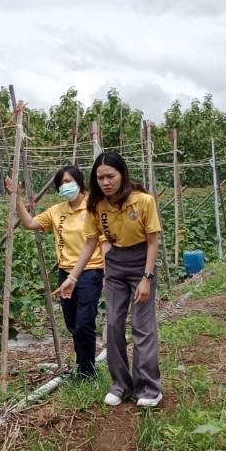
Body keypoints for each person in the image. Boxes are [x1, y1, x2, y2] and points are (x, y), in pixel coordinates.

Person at [58, 150, 163, 408]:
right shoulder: (97, 205)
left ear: (122, 175)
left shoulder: (143, 201)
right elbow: (90, 243)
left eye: (111, 176)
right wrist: (73, 277)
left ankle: (150, 388)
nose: (106, 182)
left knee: (142, 326)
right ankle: (121, 385)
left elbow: (152, 241)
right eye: (100, 177)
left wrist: (147, 278)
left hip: (141, 263)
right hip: (115, 264)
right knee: (113, 324)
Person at [5, 164, 104, 379]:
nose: (65, 186)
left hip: (90, 272)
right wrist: (18, 198)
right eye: (61, 184)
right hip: (65, 272)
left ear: (79, 182)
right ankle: (86, 365)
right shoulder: (57, 210)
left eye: (68, 181)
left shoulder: (94, 207)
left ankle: (86, 371)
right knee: (72, 323)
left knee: (85, 322)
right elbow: (30, 223)